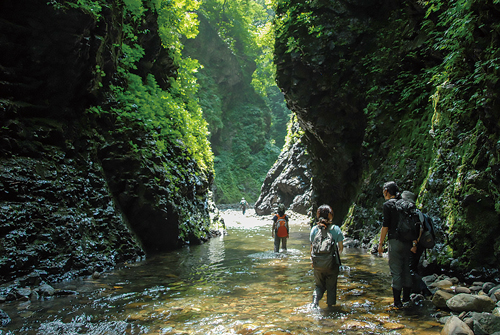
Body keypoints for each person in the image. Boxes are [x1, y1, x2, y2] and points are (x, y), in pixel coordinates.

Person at [378, 181, 413, 308]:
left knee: (396, 271)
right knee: (407, 270)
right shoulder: (407, 204)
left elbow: (385, 226)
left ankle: (397, 303)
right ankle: (407, 299)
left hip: (395, 241)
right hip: (408, 242)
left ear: (387, 191)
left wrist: (380, 243)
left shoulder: (388, 205)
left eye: (383, 191)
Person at [310, 204, 344, 308]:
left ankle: (314, 302)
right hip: (331, 265)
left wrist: (313, 262)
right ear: (330, 215)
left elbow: (312, 249)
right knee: (331, 287)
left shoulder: (314, 230)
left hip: (317, 265)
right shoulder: (336, 229)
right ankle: (330, 310)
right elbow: (341, 248)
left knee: (319, 286)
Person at [401, 191, 433, 297]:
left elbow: (419, 228)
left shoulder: (411, 212)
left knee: (409, 269)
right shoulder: (417, 212)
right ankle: (414, 290)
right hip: (419, 244)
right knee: (413, 267)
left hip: (415, 244)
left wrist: (414, 245)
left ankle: (425, 290)